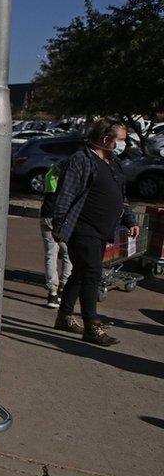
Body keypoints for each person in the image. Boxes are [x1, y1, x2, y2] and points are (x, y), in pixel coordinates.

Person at [51, 118, 138, 346]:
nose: (124, 145)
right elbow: (66, 195)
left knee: (81, 272)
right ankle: (92, 326)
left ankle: (65, 316)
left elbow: (122, 197)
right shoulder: (81, 160)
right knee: (92, 272)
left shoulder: (113, 163)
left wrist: (130, 220)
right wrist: (58, 225)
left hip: (103, 231)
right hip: (81, 228)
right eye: (121, 140)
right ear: (106, 139)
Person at [40, 162, 72, 308]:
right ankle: (64, 286)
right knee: (67, 254)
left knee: (51, 254)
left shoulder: (52, 170)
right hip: (64, 217)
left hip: (47, 214)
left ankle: (52, 292)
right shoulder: (72, 175)